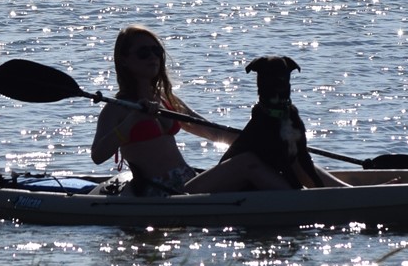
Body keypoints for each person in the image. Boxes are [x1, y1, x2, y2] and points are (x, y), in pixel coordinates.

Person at [88, 26, 314, 194]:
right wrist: (132, 122)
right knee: (247, 163)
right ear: (124, 60)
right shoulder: (116, 109)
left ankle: (341, 192)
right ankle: (301, 201)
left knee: (294, 154)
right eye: (143, 53)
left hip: (188, 181)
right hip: (160, 191)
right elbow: (98, 155)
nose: (153, 58)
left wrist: (263, 137)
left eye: (157, 51)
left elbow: (213, 133)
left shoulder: (167, 99)